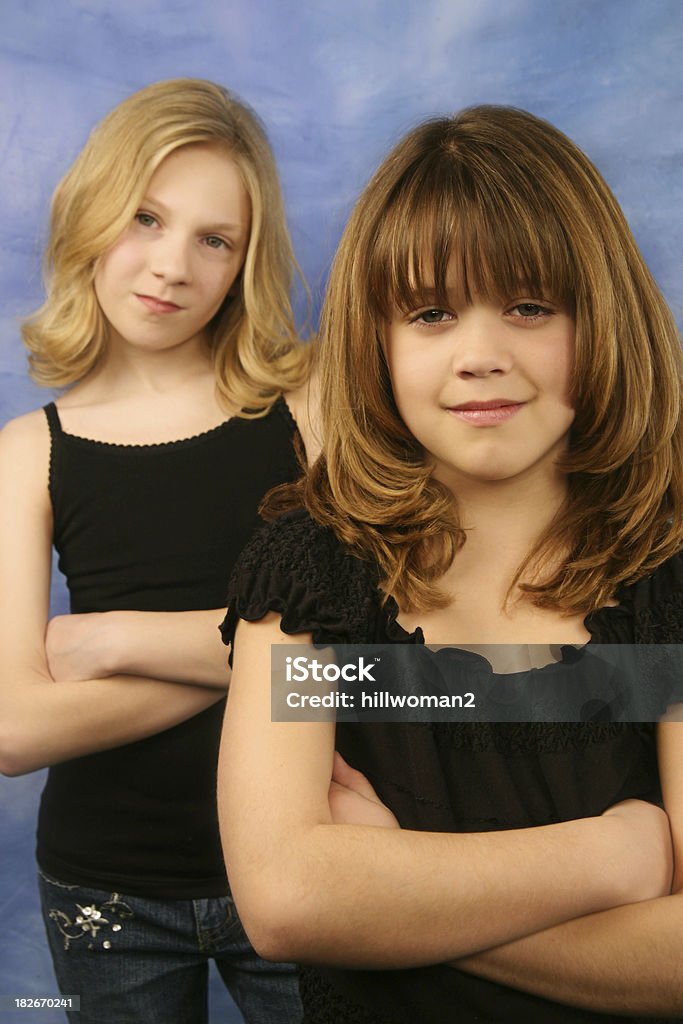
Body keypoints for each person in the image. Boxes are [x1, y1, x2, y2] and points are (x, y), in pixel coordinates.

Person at [217, 105, 683, 1023]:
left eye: (528, 307)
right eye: (431, 313)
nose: (480, 357)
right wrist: (615, 858)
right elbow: (286, 901)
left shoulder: (666, 577)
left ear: (603, 320)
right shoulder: (312, 570)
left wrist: (394, 905)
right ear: (376, 341)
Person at [0, 78, 318, 1023]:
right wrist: (270, 662)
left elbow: (381, 649)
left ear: (243, 263)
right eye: (145, 217)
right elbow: (15, 731)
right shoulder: (26, 454)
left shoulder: (307, 409)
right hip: (107, 890)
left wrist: (117, 640)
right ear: (92, 211)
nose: (171, 265)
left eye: (213, 239)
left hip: (309, 854)